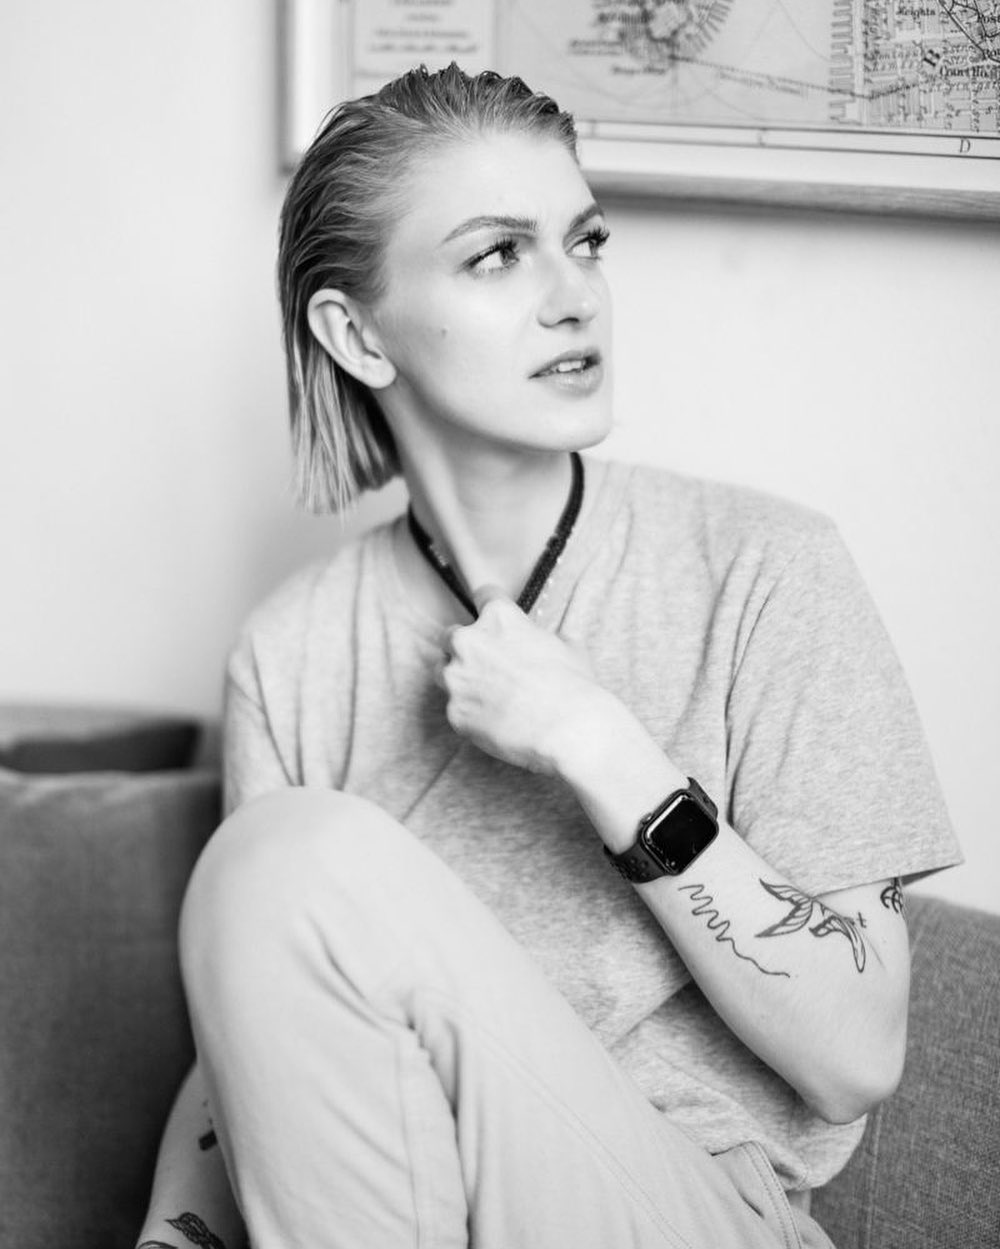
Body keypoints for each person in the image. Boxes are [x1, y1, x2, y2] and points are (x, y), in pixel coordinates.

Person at [137, 63, 961, 1249]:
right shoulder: (292, 650)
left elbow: (855, 1053)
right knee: (269, 873)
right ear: (356, 333)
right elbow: (249, 1042)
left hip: (691, 1212)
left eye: (585, 242)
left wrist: (595, 741)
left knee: (283, 856)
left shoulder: (765, 567)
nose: (575, 297)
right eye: (497, 255)